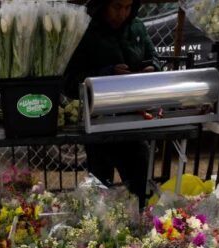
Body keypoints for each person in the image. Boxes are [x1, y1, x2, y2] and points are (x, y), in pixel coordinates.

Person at [66, 0, 161, 207]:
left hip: (135, 122)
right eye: (117, 7)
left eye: (128, 7)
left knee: (139, 191)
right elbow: (70, 81)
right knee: (101, 194)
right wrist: (106, 74)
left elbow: (154, 56)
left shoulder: (137, 27)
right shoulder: (85, 31)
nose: (122, 14)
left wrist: (153, 67)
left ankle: (140, 220)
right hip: (99, 125)